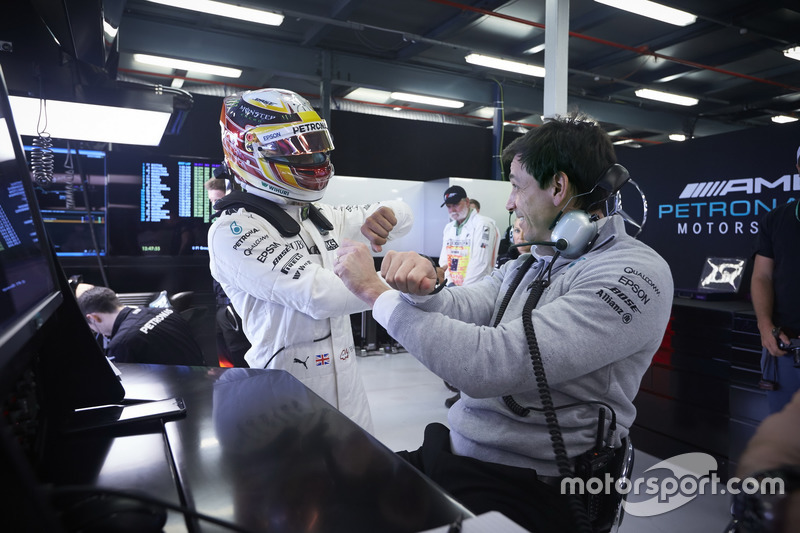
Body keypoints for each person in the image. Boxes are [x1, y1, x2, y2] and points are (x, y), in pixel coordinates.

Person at [333, 114, 674, 532]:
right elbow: (463, 305)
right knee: (331, 495)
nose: (510, 202)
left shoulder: (633, 274)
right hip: (461, 457)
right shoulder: (536, 260)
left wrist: (376, 293)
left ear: (558, 187)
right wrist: (422, 288)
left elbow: (490, 365)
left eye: (516, 186)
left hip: (534, 487)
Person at [207, 88, 413, 432]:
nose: (313, 160)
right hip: (281, 398)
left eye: (315, 146)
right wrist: (400, 278)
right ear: (249, 152)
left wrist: (389, 214)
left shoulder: (319, 215)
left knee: (361, 479)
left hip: (349, 390)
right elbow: (321, 296)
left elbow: (405, 215)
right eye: (293, 150)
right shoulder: (233, 229)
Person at [438, 185, 500, 407]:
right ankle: (462, 390)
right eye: (449, 206)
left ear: (467, 202)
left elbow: (481, 265)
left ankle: (474, 395)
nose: (453, 209)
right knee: (455, 347)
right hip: (453, 291)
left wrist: (462, 296)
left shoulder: (484, 225)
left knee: (473, 349)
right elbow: (443, 260)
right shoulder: (449, 228)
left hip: (475, 294)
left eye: (456, 204)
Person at [751, 146, 800, 415]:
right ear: (798, 168)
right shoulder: (776, 219)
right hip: (786, 350)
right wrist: (765, 326)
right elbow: (762, 276)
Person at [77, 286, 205, 366]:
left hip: (176, 398)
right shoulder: (165, 311)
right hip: (201, 379)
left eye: (92, 328)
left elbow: (123, 389)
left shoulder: (122, 344)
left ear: (93, 318)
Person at [205, 177, 251, 368]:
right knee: (225, 364)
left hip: (236, 307)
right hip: (221, 307)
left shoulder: (241, 228)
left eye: (218, 200)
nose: (215, 206)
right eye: (212, 202)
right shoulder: (218, 228)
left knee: (241, 360)